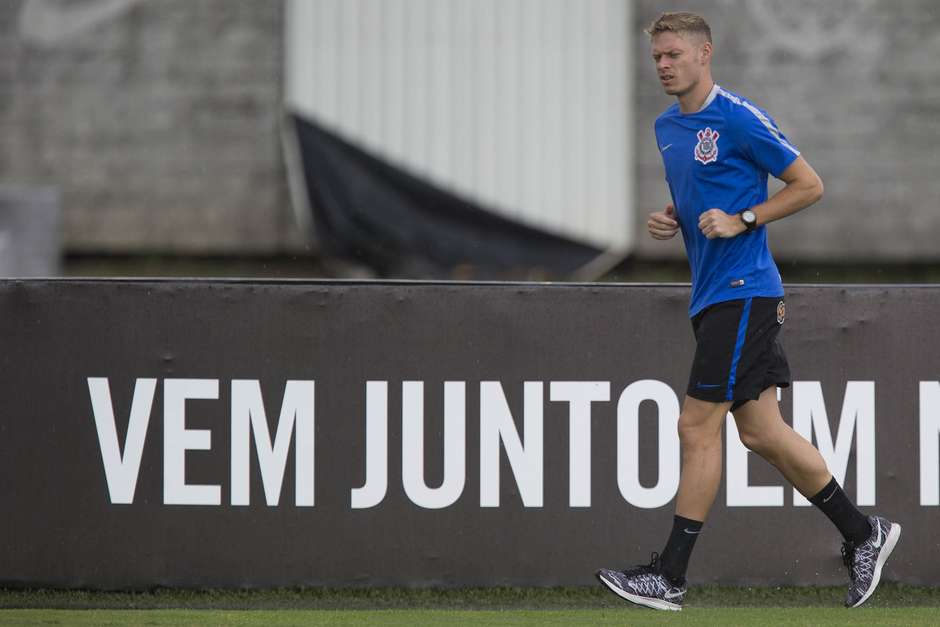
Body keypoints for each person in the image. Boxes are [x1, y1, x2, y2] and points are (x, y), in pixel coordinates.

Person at [596, 11, 900, 611]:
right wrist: (673, 217)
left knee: (694, 426)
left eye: (674, 54)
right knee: (762, 432)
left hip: (745, 290)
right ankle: (865, 535)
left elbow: (808, 183)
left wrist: (746, 218)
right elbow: (703, 194)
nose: (663, 64)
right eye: (657, 56)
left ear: (705, 54)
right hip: (712, 295)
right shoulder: (666, 127)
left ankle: (671, 577)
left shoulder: (738, 116)